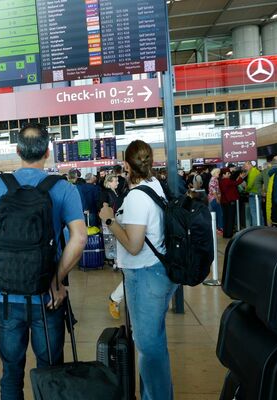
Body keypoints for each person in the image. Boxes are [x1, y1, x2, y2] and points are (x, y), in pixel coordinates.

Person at [0, 123, 88, 400]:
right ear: (48, 152)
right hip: (48, 297)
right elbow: (79, 238)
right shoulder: (62, 188)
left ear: (17, 151)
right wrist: (56, 279)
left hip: (6, 296)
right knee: (49, 372)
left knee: (11, 371)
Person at [99, 140, 178, 400]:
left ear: (126, 165)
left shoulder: (135, 198)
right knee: (154, 342)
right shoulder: (156, 186)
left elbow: (133, 245)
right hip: (159, 271)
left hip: (145, 275)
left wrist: (109, 219)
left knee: (148, 347)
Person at [101, 173, 124, 320]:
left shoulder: (116, 193)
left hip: (116, 227)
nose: (117, 183)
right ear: (108, 182)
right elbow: (105, 213)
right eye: (114, 181)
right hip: (112, 228)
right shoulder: (106, 195)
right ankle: (115, 298)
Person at [219, 168, 243, 238]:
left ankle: (225, 234)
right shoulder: (227, 180)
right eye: (228, 173)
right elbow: (237, 183)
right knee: (230, 218)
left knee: (226, 218)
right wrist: (241, 177)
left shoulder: (221, 181)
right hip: (230, 201)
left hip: (224, 201)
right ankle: (229, 234)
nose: (229, 175)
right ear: (223, 174)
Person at [242, 162, 264, 226]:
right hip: (257, 194)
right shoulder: (256, 171)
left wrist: (245, 189)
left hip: (254, 195)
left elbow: (250, 185)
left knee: (254, 213)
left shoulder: (253, 172)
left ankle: (256, 231)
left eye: (246, 166)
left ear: (250, 165)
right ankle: (262, 229)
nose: (245, 168)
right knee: (259, 213)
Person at [208, 168, 223, 233]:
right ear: (214, 173)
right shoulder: (213, 180)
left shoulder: (215, 179)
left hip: (214, 198)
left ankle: (218, 227)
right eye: (218, 173)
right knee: (218, 213)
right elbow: (213, 190)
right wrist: (217, 199)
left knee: (217, 213)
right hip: (214, 199)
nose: (219, 174)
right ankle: (219, 228)